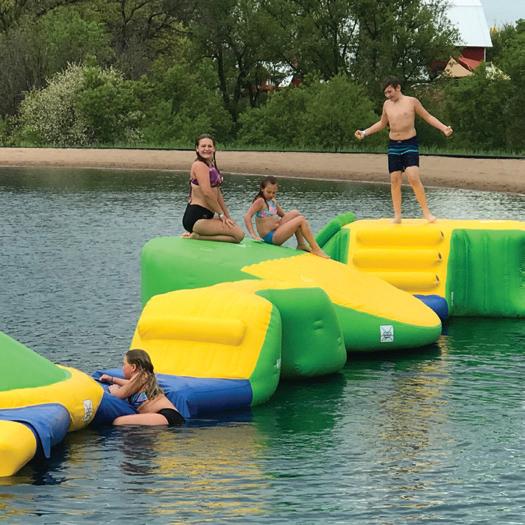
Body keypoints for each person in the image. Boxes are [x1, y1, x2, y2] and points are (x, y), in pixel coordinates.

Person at [355, 77, 453, 223]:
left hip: (410, 143)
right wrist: (364, 132)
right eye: (386, 93)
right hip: (394, 145)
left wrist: (444, 128)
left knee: (413, 177)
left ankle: (427, 213)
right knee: (395, 180)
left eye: (390, 91)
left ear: (398, 88)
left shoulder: (411, 102)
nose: (388, 95)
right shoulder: (387, 105)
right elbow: (382, 123)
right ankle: (397, 216)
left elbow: (427, 116)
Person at [244, 176, 329, 258]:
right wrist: (253, 234)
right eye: (268, 192)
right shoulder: (260, 201)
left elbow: (284, 215)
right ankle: (316, 248)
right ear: (262, 189)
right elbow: (247, 216)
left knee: (296, 213)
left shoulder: (273, 201)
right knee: (301, 220)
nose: (271, 195)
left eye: (274, 193)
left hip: (277, 230)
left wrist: (292, 226)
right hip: (271, 237)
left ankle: (301, 244)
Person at [182, 134, 244, 242]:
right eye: (203, 146)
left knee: (237, 232)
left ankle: (198, 235)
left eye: (209, 146)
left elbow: (217, 193)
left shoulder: (211, 165)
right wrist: (221, 214)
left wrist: (227, 216)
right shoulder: (199, 165)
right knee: (239, 235)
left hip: (207, 216)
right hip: (196, 218)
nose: (206, 149)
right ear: (197, 148)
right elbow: (207, 193)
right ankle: (198, 236)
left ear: (214, 148)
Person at [99, 349, 184, 427]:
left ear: (133, 367)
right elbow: (129, 384)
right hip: (166, 416)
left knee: (118, 421)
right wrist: (112, 379)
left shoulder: (141, 377)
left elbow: (117, 395)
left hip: (166, 416)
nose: (123, 367)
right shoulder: (142, 378)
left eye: (124, 364)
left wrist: (113, 389)